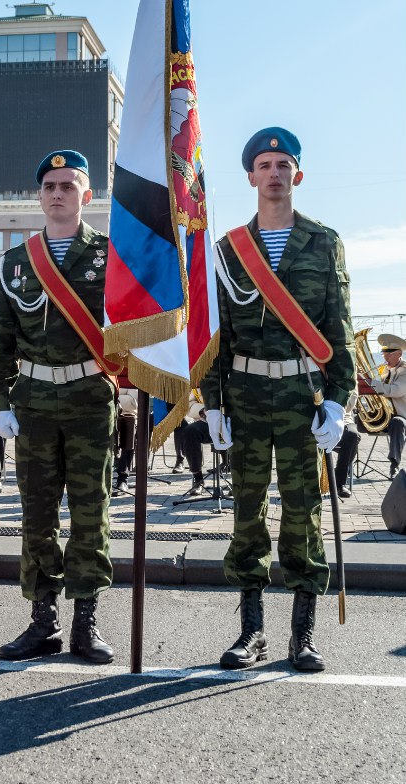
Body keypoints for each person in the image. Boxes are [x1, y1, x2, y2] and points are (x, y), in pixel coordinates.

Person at [200, 127, 355, 673]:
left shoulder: (323, 242)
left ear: (297, 175)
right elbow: (216, 337)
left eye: (282, 164)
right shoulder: (227, 251)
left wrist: (340, 401)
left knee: (302, 512)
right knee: (246, 512)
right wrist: (211, 403)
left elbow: (338, 328)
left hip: (300, 394)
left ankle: (302, 634)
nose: (273, 173)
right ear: (250, 177)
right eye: (264, 164)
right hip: (243, 393)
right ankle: (251, 632)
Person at [0, 149, 116, 664]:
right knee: (37, 515)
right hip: (35, 400)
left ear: (86, 196)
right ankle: (43, 620)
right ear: (39, 196)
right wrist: (0, 401)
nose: (58, 192)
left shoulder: (111, 256)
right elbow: (0, 340)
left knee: (90, 514)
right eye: (50, 186)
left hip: (89, 397)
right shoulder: (17, 262)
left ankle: (86, 619)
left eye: (69, 185)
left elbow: (135, 325)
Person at [363, 334, 406, 479]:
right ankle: (346, 463)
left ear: (399, 354)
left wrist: (373, 383)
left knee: (398, 423)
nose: (385, 358)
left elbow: (396, 391)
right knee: (355, 423)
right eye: (384, 354)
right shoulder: (384, 370)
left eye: (389, 354)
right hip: (384, 416)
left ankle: (394, 464)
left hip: (401, 416)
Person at [334, 389, 360, 498]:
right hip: (314, 418)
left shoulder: (348, 373)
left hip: (343, 419)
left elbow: (349, 405)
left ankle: (339, 482)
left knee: (353, 435)